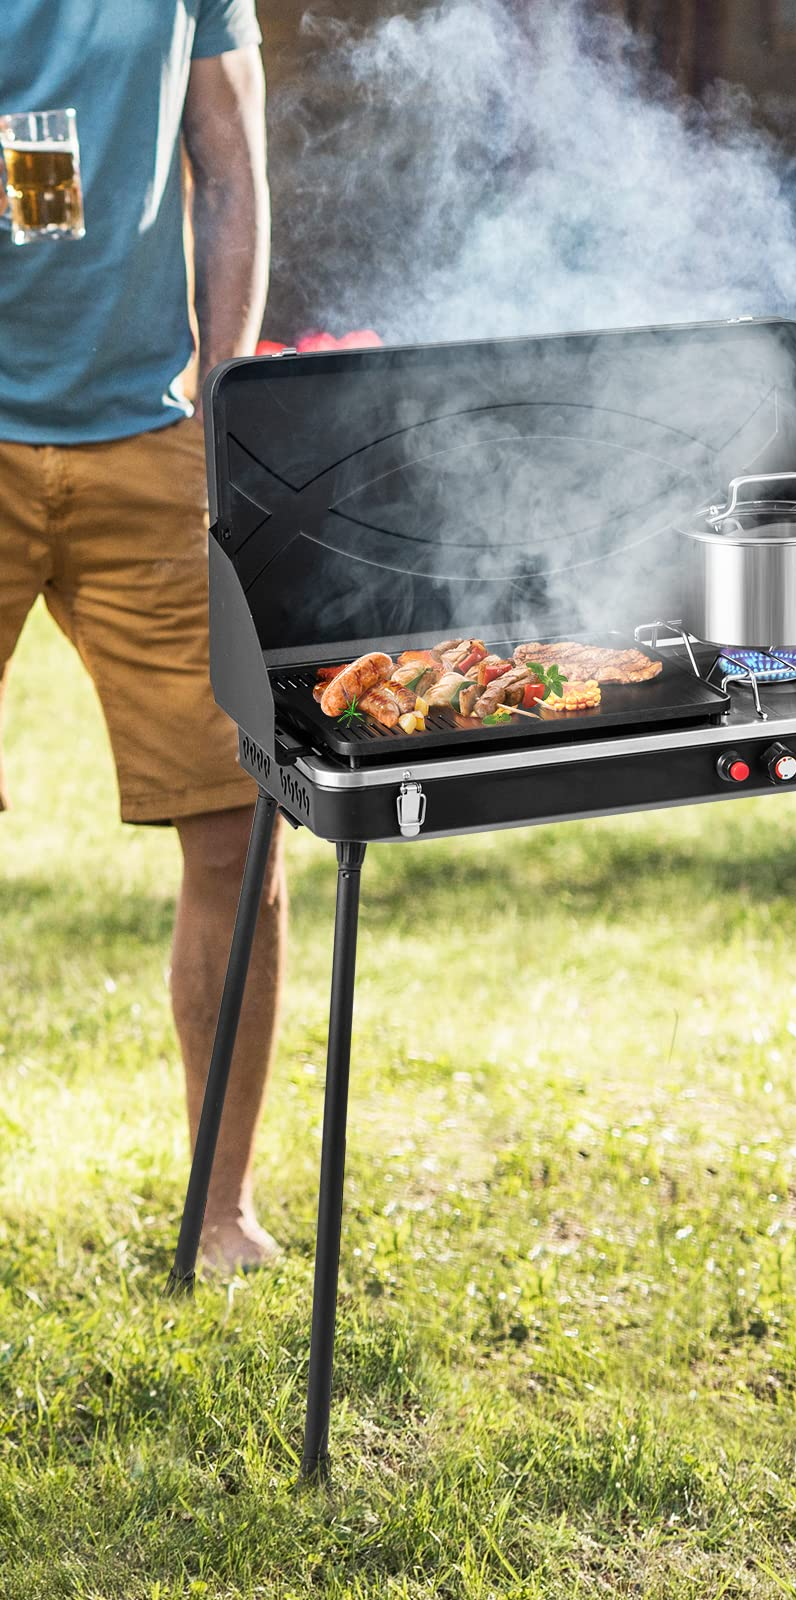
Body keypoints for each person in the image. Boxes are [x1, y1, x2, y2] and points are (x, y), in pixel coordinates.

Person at [0, 2, 281, 1271]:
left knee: (237, 829)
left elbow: (230, 167)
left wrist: (221, 403)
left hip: (148, 444)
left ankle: (220, 1216)